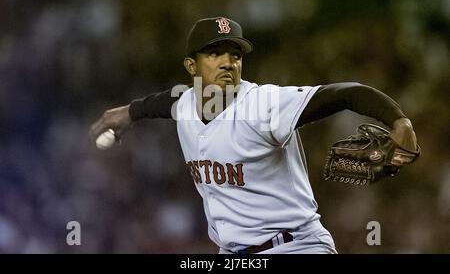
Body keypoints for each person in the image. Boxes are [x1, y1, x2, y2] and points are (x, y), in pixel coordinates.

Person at [90, 16, 419, 254]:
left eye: (235, 54)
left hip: (296, 246)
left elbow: (345, 93)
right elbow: (162, 103)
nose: (228, 63)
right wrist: (127, 113)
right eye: (214, 53)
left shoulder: (263, 105)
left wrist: (399, 121)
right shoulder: (185, 101)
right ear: (191, 66)